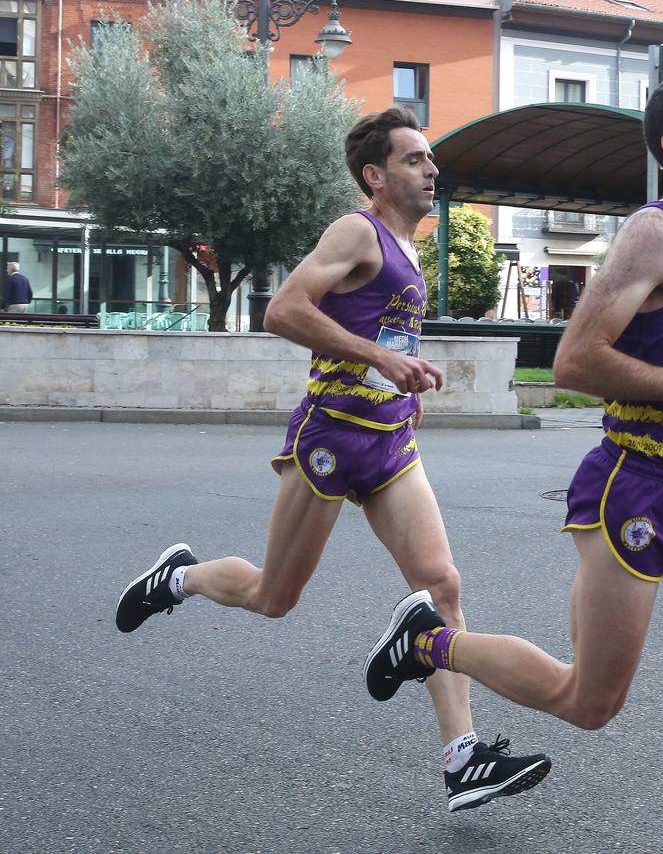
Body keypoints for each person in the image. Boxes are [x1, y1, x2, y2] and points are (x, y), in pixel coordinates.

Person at [364, 69, 663, 852]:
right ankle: (428, 644)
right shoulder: (655, 232)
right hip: (632, 496)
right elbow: (573, 361)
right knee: (588, 701)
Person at [115, 107, 550, 813]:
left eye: (430, 159)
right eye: (413, 159)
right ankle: (180, 577)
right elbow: (284, 310)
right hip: (331, 440)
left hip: (390, 445)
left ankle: (461, 758)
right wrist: (382, 356)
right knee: (273, 597)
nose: (430, 169)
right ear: (375, 176)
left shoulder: (408, 249)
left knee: (441, 586)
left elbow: (371, 326)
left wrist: (402, 371)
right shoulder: (358, 231)